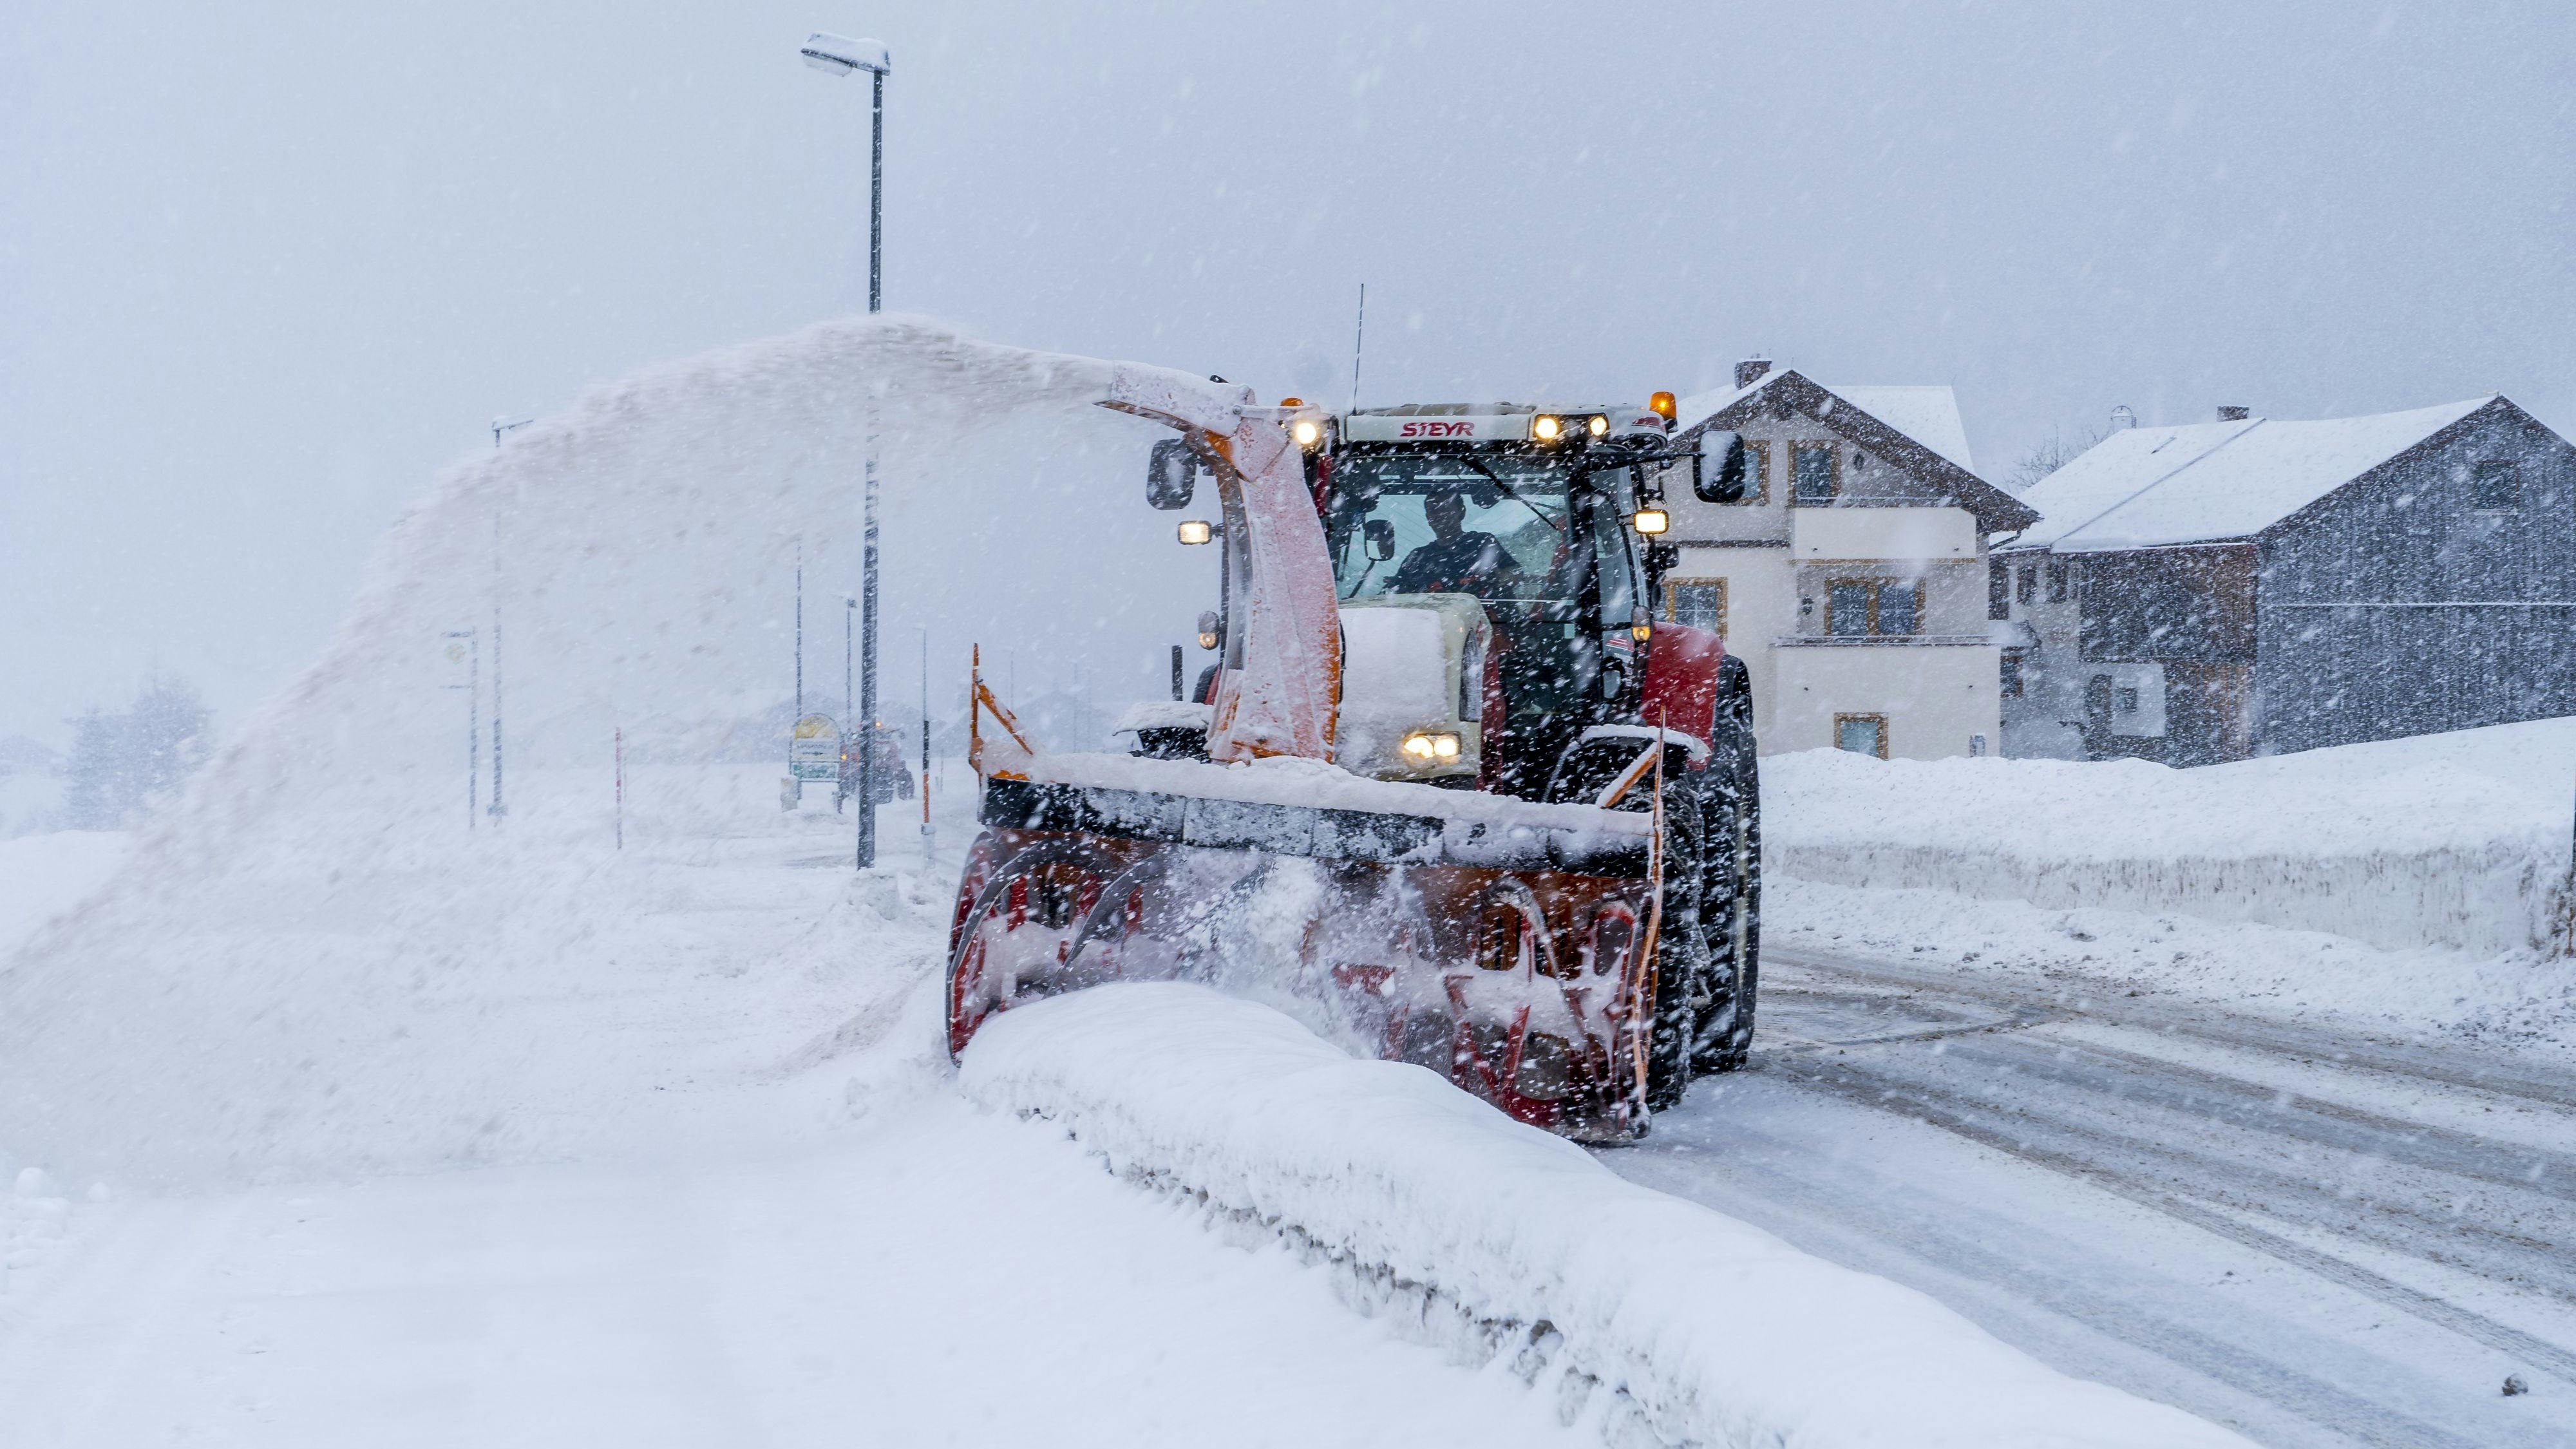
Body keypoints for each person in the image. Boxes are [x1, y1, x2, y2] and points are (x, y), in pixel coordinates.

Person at [1389, 489, 1519, 596]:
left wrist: (1497, 579)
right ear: (1428, 518)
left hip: (1487, 621)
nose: (1439, 515)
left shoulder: (1483, 543)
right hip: (1429, 623)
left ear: (1461, 512)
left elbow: (1514, 574)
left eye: (1445, 508)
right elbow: (1393, 596)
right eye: (1433, 510)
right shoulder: (1417, 557)